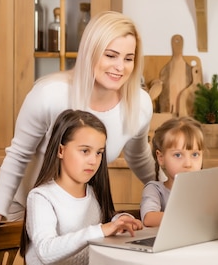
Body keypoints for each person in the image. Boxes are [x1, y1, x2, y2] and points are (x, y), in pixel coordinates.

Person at [0, 11, 155, 229]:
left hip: (81, 212)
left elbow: (139, 157)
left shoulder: (139, 104)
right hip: (28, 209)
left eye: (128, 58)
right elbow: (19, 155)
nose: (120, 67)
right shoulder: (50, 95)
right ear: (90, 53)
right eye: (110, 55)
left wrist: (167, 192)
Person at [21, 109, 143, 265]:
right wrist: (101, 230)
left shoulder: (94, 193)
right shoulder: (41, 197)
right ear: (61, 150)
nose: (94, 161)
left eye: (99, 153)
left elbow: (104, 221)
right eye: (85, 151)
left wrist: (119, 220)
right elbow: (46, 251)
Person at [140, 117, 218, 230]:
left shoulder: (209, 189)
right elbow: (149, 218)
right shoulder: (155, 189)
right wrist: (202, 220)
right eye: (178, 155)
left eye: (195, 155)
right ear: (161, 158)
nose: (188, 164)